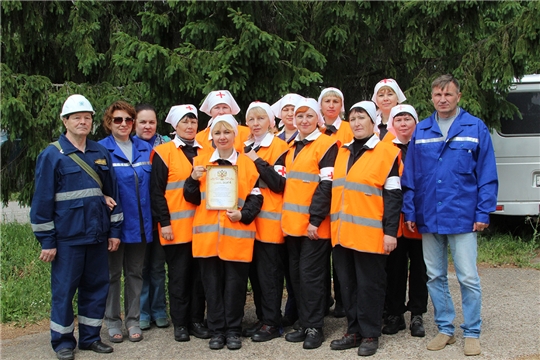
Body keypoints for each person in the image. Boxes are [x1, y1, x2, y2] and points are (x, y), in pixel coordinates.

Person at [401, 75, 498, 356]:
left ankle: (472, 331)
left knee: (468, 276)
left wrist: (483, 212)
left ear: (458, 96)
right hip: (429, 214)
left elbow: (487, 175)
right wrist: (411, 209)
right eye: (437, 95)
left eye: (448, 94)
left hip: (463, 215)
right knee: (434, 275)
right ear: (431, 98)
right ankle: (445, 328)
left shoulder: (474, 127)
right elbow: (411, 177)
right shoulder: (422, 130)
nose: (442, 99)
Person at [30, 94, 123, 360]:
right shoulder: (52, 155)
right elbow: (42, 201)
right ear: (65, 121)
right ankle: (62, 342)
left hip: (96, 234)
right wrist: (46, 240)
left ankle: (90, 337)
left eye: (87, 118)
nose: (83, 122)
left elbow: (112, 193)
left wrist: (114, 231)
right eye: (76, 118)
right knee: (64, 290)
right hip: (67, 238)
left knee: (96, 287)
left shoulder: (99, 152)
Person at [329, 101, 402, 357]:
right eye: (354, 118)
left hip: (370, 235)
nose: (357, 123)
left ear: (373, 123)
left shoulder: (387, 153)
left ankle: (371, 333)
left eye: (363, 118)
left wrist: (390, 232)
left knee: (370, 285)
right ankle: (353, 330)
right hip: (341, 234)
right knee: (347, 285)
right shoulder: (343, 152)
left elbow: (393, 196)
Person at [184, 114, 263, 351]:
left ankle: (233, 331)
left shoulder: (247, 164)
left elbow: (256, 197)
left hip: (236, 235)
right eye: (217, 133)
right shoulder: (200, 162)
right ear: (211, 137)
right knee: (212, 287)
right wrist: (191, 179)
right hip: (208, 237)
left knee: (235, 287)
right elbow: (191, 197)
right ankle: (217, 331)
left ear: (234, 135)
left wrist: (244, 214)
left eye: (227, 132)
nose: (222, 137)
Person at [151, 104, 211, 342]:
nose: (189, 126)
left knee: (199, 279)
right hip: (175, 229)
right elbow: (156, 193)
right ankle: (181, 323)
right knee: (179, 277)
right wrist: (164, 223)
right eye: (185, 122)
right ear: (175, 126)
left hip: (202, 228)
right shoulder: (163, 153)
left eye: (193, 122)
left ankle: (196, 320)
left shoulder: (205, 151)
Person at [282, 98, 338, 350]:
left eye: (309, 116)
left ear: (318, 119)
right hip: (293, 226)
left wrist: (315, 219)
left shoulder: (326, 144)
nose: (304, 121)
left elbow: (326, 185)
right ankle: (305, 322)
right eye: (299, 116)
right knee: (297, 277)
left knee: (311, 276)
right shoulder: (293, 145)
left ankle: (315, 326)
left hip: (314, 227)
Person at [99, 101, 153, 344]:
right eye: (118, 120)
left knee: (135, 273)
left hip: (141, 224)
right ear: (109, 122)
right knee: (112, 274)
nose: (123, 124)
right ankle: (112, 321)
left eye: (128, 120)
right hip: (114, 225)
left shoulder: (145, 149)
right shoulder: (100, 150)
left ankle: (133, 320)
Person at [242, 102, 289, 342]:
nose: (256, 123)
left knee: (269, 275)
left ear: (270, 122)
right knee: (255, 275)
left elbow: (278, 184)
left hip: (270, 221)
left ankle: (273, 322)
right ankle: (263, 318)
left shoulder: (279, 146)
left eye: (261, 118)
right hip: (248, 220)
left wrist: (256, 158)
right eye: (252, 119)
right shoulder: (242, 147)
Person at [381, 104, 428, 338]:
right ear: (391, 124)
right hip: (394, 220)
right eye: (397, 119)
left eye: (407, 119)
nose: (402, 123)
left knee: (420, 269)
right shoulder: (384, 149)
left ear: (415, 122)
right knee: (395, 269)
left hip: (419, 219)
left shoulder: (424, 148)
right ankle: (395, 313)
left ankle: (417, 314)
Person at [133, 104, 170, 331]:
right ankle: (142, 311)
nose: (148, 126)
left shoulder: (166, 144)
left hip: (161, 216)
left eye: (151, 122)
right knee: (140, 268)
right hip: (138, 218)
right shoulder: (129, 146)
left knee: (157, 267)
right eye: (142, 122)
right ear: (135, 124)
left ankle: (159, 309)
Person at [317, 87, 353, 318]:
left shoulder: (351, 128)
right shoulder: (314, 130)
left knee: (342, 255)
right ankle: (322, 300)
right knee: (320, 259)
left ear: (342, 105)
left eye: (335, 101)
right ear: (320, 105)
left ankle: (344, 301)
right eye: (327, 101)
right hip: (320, 201)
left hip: (342, 199)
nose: (331, 105)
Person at [196, 90, 250, 155]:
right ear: (210, 111)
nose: (221, 112)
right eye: (217, 108)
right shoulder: (199, 137)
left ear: (231, 110)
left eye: (225, 107)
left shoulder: (247, 133)